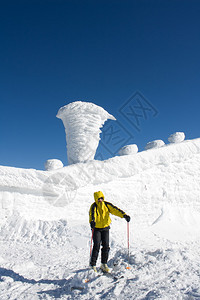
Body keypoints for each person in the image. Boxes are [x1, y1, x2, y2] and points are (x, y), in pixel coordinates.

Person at [89, 191, 130, 272]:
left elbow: (115, 210)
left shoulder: (107, 205)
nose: (100, 200)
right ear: (96, 199)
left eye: (101, 198)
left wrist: (124, 215)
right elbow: (91, 215)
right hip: (96, 228)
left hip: (105, 228)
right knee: (96, 246)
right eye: (98, 198)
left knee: (106, 246)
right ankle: (92, 265)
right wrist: (92, 222)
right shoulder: (93, 206)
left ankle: (103, 264)